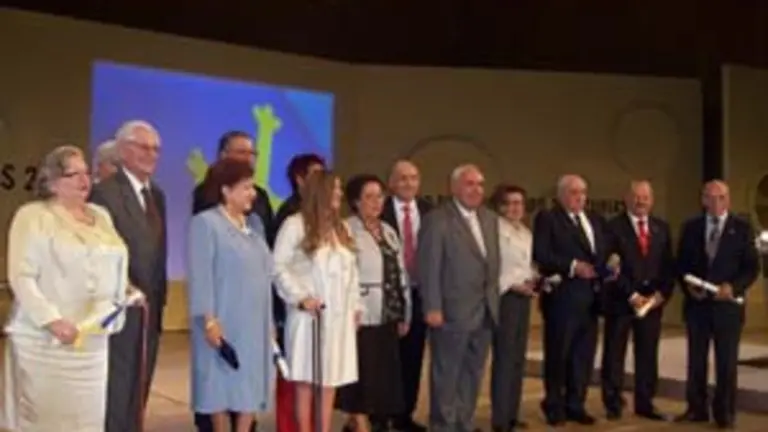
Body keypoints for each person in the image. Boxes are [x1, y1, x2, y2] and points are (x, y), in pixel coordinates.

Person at [1, 145, 132, 431]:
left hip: (93, 342)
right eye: (74, 174)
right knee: (47, 420)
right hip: (47, 343)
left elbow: (112, 262)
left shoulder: (101, 215)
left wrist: (127, 290)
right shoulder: (33, 216)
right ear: (52, 181)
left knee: (87, 421)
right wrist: (51, 320)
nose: (84, 180)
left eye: (87, 173)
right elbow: (21, 276)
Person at [191, 131, 274, 432]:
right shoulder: (206, 223)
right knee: (219, 389)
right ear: (226, 191)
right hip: (223, 320)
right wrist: (210, 320)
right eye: (246, 188)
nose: (253, 193)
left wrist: (269, 326)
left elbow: (266, 271)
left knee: (249, 389)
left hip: (254, 323)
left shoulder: (254, 224)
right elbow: (201, 275)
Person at [90, 120, 168, 432]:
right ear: (123, 150)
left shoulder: (157, 195)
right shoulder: (104, 194)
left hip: (151, 311)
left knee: (140, 389)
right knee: (117, 390)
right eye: (143, 147)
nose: (151, 154)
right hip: (119, 310)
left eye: (156, 149)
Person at [273, 170, 361, 432]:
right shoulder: (295, 225)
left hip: (339, 318)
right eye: (335, 189)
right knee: (306, 382)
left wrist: (355, 305)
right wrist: (300, 297)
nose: (340, 194)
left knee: (330, 380)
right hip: (309, 317)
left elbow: (352, 270)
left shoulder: (341, 227)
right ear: (320, 191)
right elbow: (277, 267)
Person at [418, 164, 500, 432]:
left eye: (480, 184)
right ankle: (442, 425)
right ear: (453, 187)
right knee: (447, 375)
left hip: (484, 310)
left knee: (473, 374)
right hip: (451, 312)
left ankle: (464, 423)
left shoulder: (489, 218)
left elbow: (491, 263)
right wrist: (432, 306)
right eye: (470, 183)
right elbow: (429, 266)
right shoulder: (438, 219)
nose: (476, 189)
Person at [675, 180, 759, 429]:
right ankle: (696, 409)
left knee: (726, 363)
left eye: (721, 197)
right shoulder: (690, 228)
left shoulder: (742, 229)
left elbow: (751, 268)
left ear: (728, 200)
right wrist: (689, 287)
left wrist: (733, 287)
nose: (716, 202)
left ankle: (725, 413)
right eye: (711, 197)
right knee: (696, 361)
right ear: (703, 200)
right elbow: (681, 264)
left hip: (727, 309)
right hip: (697, 307)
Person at [532, 174, 612, 426]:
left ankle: (576, 403)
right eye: (573, 192)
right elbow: (541, 254)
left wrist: (611, 264)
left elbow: (604, 251)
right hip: (562, 299)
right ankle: (554, 405)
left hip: (591, 300)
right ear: (561, 194)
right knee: (559, 354)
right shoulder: (548, 219)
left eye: (582, 192)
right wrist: (572, 266)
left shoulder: (595, 220)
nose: (579, 197)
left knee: (583, 356)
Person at [336, 174, 411, 432]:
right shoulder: (346, 229)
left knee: (382, 373)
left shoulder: (389, 231)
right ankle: (359, 421)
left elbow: (399, 273)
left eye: (379, 196)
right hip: (361, 313)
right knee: (362, 371)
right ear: (355, 201)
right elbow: (344, 273)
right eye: (369, 196)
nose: (376, 202)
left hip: (388, 311)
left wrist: (405, 312)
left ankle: (365, 421)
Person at [600, 180, 675, 421]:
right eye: (636, 197)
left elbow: (668, 266)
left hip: (652, 303)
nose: (641, 201)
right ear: (626, 199)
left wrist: (662, 294)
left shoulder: (661, 228)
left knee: (647, 353)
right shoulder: (612, 228)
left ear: (652, 201)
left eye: (645, 197)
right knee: (614, 353)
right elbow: (610, 267)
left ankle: (645, 402)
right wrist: (632, 296)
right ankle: (613, 403)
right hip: (621, 302)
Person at [269, 153, 325, 432]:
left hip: (320, 312)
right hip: (292, 307)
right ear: (299, 179)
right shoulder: (290, 216)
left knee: (315, 377)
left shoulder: (324, 214)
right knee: (293, 375)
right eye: (315, 174)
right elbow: (279, 266)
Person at [379, 160, 432, 432]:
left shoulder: (429, 211)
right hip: (388, 297)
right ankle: (379, 417)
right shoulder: (380, 212)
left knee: (413, 359)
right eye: (402, 178)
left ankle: (404, 416)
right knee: (385, 359)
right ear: (391, 183)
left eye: (413, 178)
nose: (408, 183)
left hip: (420, 295)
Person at [488, 184, 534, 432]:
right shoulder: (495, 230)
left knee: (518, 358)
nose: (516, 208)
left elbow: (523, 265)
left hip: (523, 298)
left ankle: (513, 413)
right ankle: (500, 418)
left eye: (520, 203)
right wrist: (514, 285)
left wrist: (532, 279)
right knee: (505, 358)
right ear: (501, 206)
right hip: (505, 297)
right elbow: (493, 268)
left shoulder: (525, 232)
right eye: (511, 203)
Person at [192, 130, 273, 237]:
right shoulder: (207, 192)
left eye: (252, 154)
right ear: (223, 155)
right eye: (242, 152)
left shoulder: (261, 196)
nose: (249, 159)